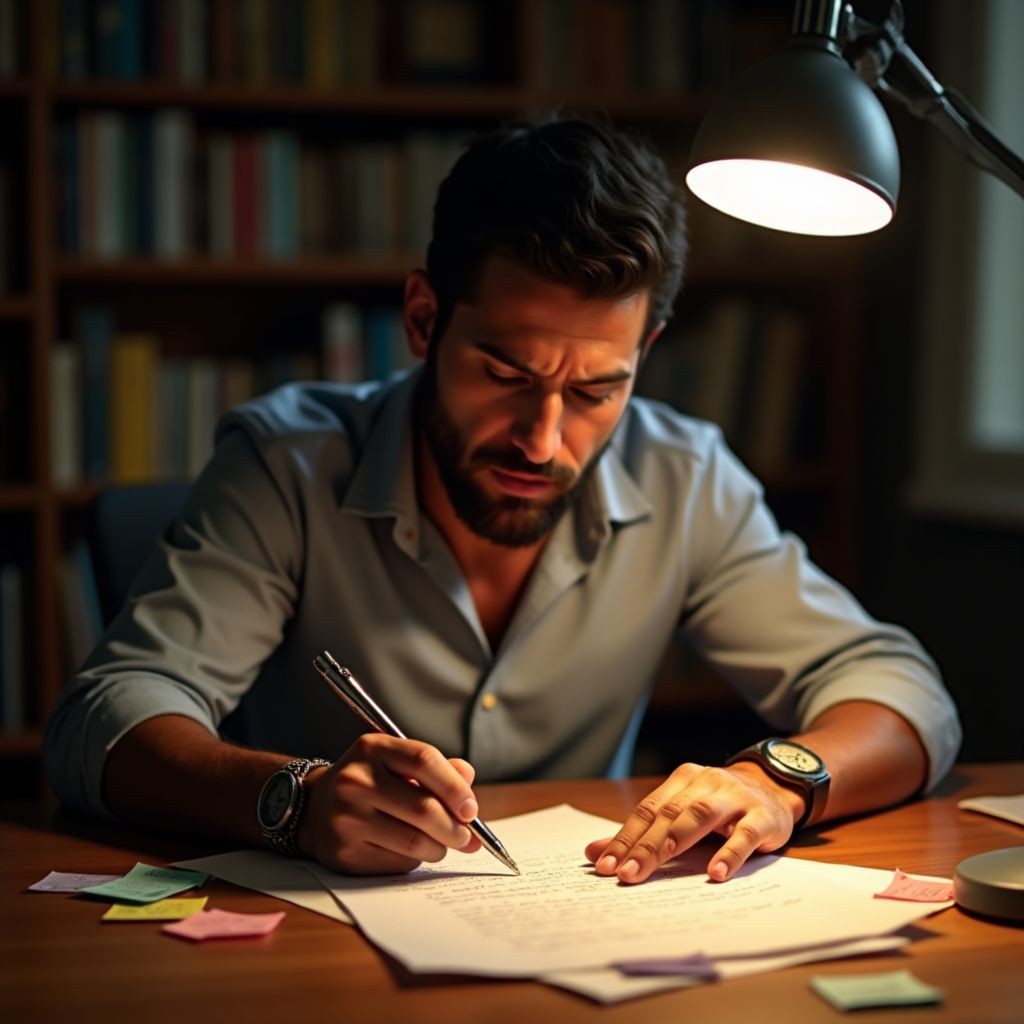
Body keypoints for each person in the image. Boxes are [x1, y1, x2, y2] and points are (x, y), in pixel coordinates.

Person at [44, 115, 961, 886]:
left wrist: (779, 781)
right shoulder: (288, 464)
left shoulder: (685, 477)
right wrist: (296, 798)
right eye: (505, 374)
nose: (542, 439)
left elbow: (903, 693)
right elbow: (103, 720)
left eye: (596, 389)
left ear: (646, 353)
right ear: (423, 319)